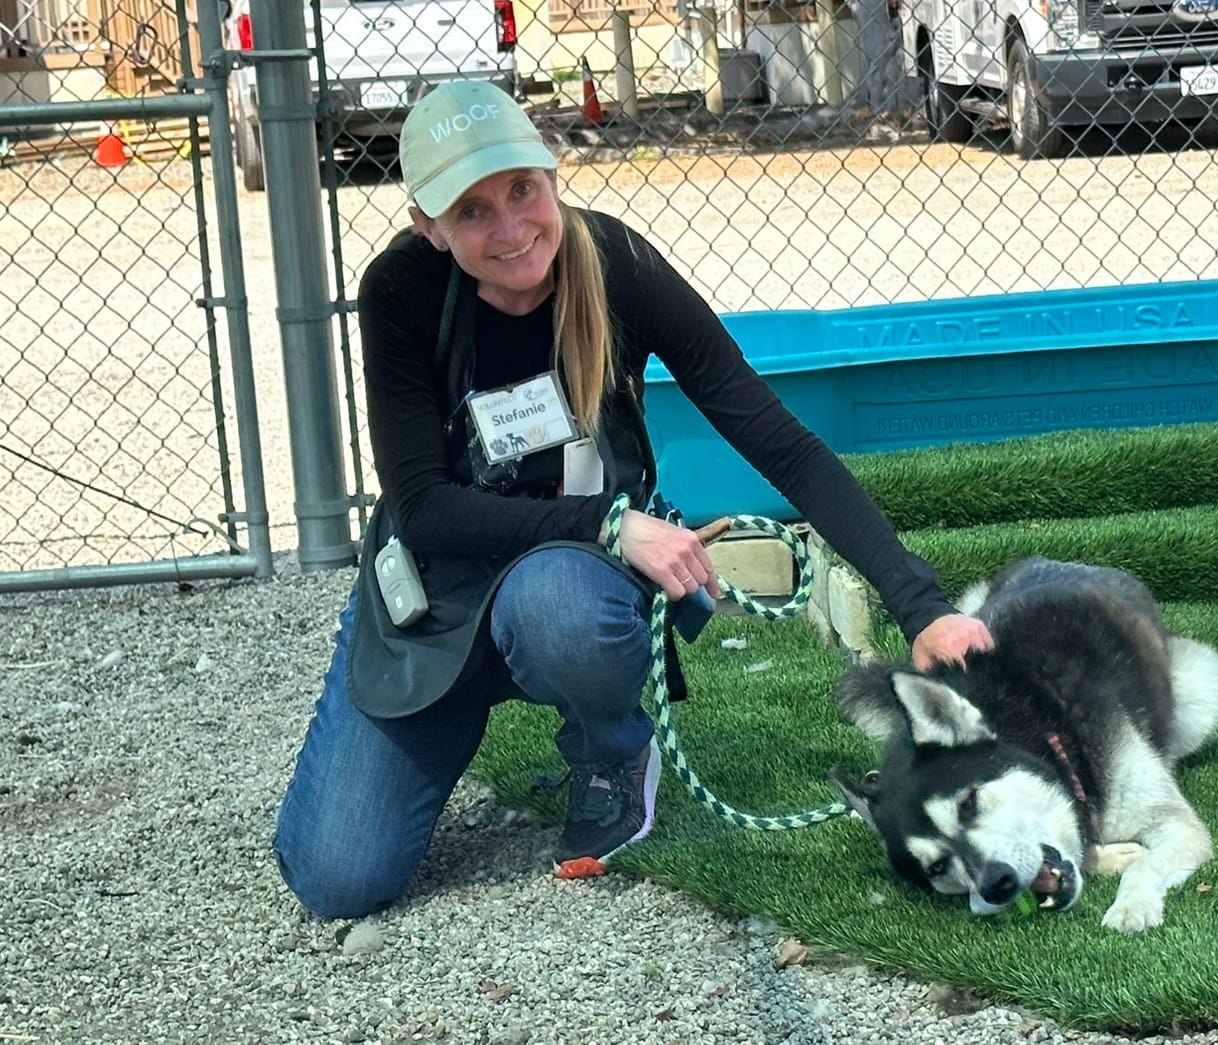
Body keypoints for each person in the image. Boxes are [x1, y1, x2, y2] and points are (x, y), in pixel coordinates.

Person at [272, 79, 994, 921]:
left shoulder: (615, 264)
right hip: (442, 587)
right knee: (337, 878)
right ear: (427, 226)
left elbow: (777, 439)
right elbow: (425, 510)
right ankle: (453, 701)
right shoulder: (400, 291)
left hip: (570, 581)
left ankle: (611, 749)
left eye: (521, 189)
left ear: (552, 176)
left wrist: (922, 607)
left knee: (562, 607)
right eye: (471, 212)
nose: (511, 229)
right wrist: (614, 521)